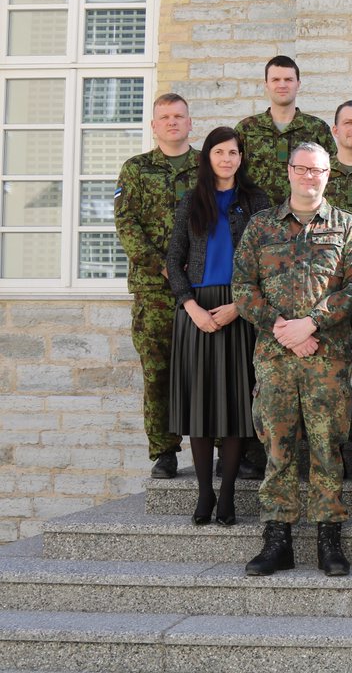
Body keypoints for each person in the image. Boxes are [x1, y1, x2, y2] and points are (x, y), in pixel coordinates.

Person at [233, 142, 352, 577]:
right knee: (277, 447)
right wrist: (283, 330)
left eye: (319, 170)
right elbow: (242, 288)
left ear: (329, 175)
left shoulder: (346, 227)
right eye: (303, 168)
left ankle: (329, 540)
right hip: (274, 357)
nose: (311, 177)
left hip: (326, 357)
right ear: (289, 171)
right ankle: (278, 540)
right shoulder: (260, 227)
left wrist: (311, 324)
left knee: (329, 448)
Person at [166, 127, 270, 526]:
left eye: (234, 153)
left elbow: (267, 262)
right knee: (200, 404)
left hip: (238, 309)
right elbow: (173, 260)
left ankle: (227, 497)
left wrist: (240, 307)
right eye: (220, 152)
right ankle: (204, 495)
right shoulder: (191, 201)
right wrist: (189, 305)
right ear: (207, 156)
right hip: (197, 310)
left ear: (242, 158)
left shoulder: (257, 202)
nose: (227, 159)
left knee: (233, 405)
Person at [115, 93, 200, 479]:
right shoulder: (135, 170)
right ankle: (164, 452)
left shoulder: (208, 167)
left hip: (203, 286)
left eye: (178, 116)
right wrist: (165, 267)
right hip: (154, 290)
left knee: (207, 366)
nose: (171, 122)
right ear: (153, 125)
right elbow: (127, 226)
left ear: (189, 123)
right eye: (164, 117)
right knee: (158, 370)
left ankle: (217, 443)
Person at [235, 55, 334, 205]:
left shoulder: (317, 129)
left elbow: (332, 173)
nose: (282, 85)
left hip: (305, 217)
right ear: (266, 84)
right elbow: (233, 174)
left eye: (288, 80)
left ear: (298, 84)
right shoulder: (247, 128)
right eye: (275, 80)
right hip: (257, 218)